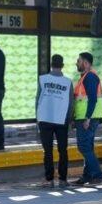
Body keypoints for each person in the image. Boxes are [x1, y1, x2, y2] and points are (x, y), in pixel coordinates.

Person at [36, 54, 74, 188]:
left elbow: (37, 100)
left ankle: (49, 180)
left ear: (51, 65)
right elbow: (70, 103)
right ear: (62, 66)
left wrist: (37, 119)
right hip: (61, 119)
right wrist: (70, 119)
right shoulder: (68, 82)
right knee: (63, 150)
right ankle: (63, 180)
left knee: (48, 151)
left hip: (45, 118)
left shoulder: (43, 79)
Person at [73, 52, 102, 185]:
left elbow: (92, 99)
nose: (77, 63)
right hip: (86, 117)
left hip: (88, 119)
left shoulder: (90, 77)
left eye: (79, 61)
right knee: (88, 147)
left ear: (85, 63)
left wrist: (87, 118)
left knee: (83, 146)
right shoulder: (85, 76)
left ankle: (97, 174)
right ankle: (87, 175)